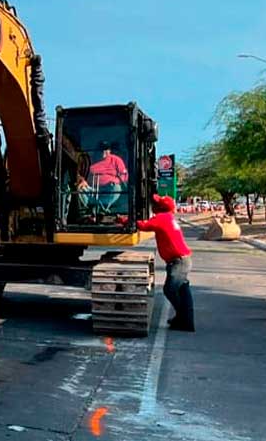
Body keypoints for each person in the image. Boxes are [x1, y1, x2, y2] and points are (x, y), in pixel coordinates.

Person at [137, 194, 194, 331]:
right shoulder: (168, 217)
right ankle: (185, 321)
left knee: (170, 290)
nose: (152, 205)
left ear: (160, 207)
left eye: (155, 204)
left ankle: (183, 319)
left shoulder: (161, 218)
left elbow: (142, 225)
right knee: (182, 290)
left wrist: (123, 219)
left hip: (178, 261)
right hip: (181, 260)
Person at [79, 141, 128, 214]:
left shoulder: (116, 160)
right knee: (79, 188)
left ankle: (97, 208)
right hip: (91, 190)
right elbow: (80, 173)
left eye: (106, 149)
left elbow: (124, 175)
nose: (103, 151)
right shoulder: (89, 159)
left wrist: (116, 181)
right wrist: (82, 180)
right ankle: (96, 208)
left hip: (109, 190)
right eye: (101, 149)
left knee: (116, 188)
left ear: (109, 151)